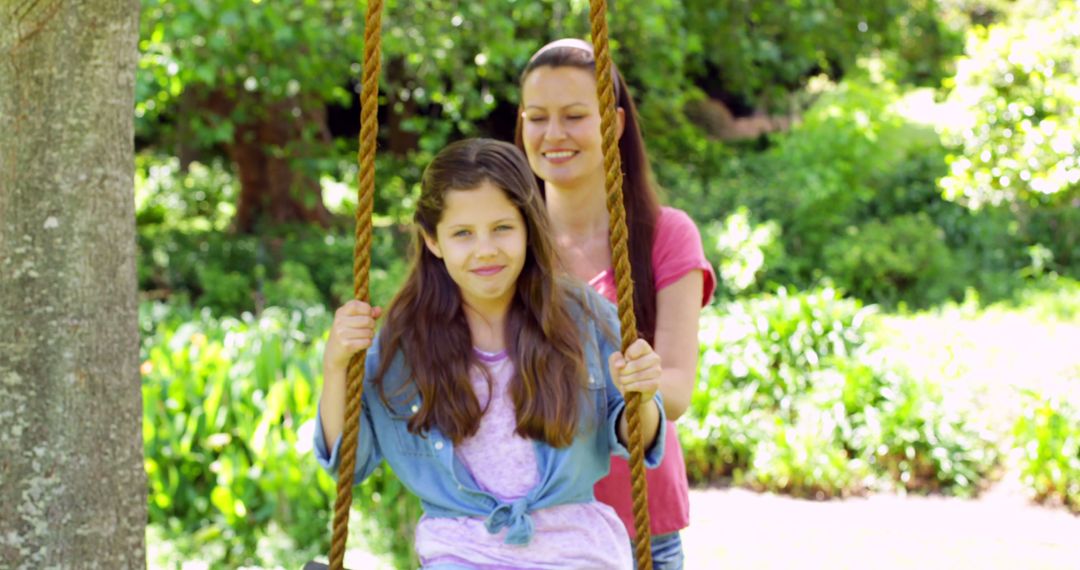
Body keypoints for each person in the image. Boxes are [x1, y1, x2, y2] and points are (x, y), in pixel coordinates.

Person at [315, 138, 667, 569]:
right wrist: (336, 366)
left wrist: (642, 394)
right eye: (463, 233)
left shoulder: (583, 317)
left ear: (528, 228)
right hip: (460, 551)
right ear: (433, 240)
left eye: (503, 228)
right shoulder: (403, 340)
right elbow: (349, 463)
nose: (485, 249)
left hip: (577, 548)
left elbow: (638, 440)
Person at [515, 38, 717, 568]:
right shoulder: (508, 244)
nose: (553, 134)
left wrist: (638, 382)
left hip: (638, 524)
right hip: (534, 522)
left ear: (616, 123)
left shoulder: (663, 235)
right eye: (537, 118)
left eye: (575, 116)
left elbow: (674, 388)